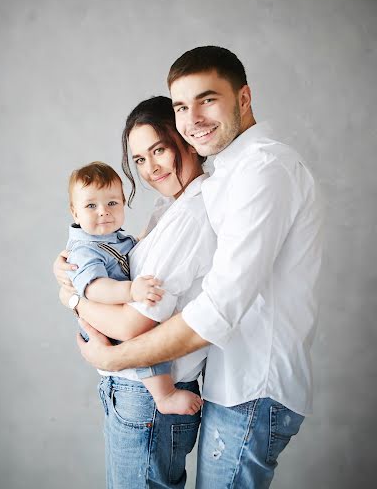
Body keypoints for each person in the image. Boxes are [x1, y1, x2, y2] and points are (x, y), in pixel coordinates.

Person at [69, 46, 324, 488]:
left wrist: (107, 352)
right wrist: (77, 278)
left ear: (243, 98)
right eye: (184, 106)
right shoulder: (222, 176)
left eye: (208, 99)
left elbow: (215, 310)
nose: (195, 118)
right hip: (230, 381)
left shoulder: (262, 169)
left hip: (253, 385)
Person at [55, 96, 217, 488]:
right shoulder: (168, 209)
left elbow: (132, 324)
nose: (150, 168)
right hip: (133, 392)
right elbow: (119, 263)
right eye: (139, 159)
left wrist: (74, 299)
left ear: (187, 140)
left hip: (147, 395)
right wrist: (68, 272)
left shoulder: (192, 214)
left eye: (158, 149)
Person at [65, 160, 202, 415]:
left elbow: (134, 251)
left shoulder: (115, 238)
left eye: (112, 203)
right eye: (91, 206)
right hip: (107, 323)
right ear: (75, 213)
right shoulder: (85, 250)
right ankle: (165, 395)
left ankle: (164, 393)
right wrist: (131, 291)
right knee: (146, 346)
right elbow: (94, 288)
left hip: (115, 316)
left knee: (149, 339)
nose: (103, 211)